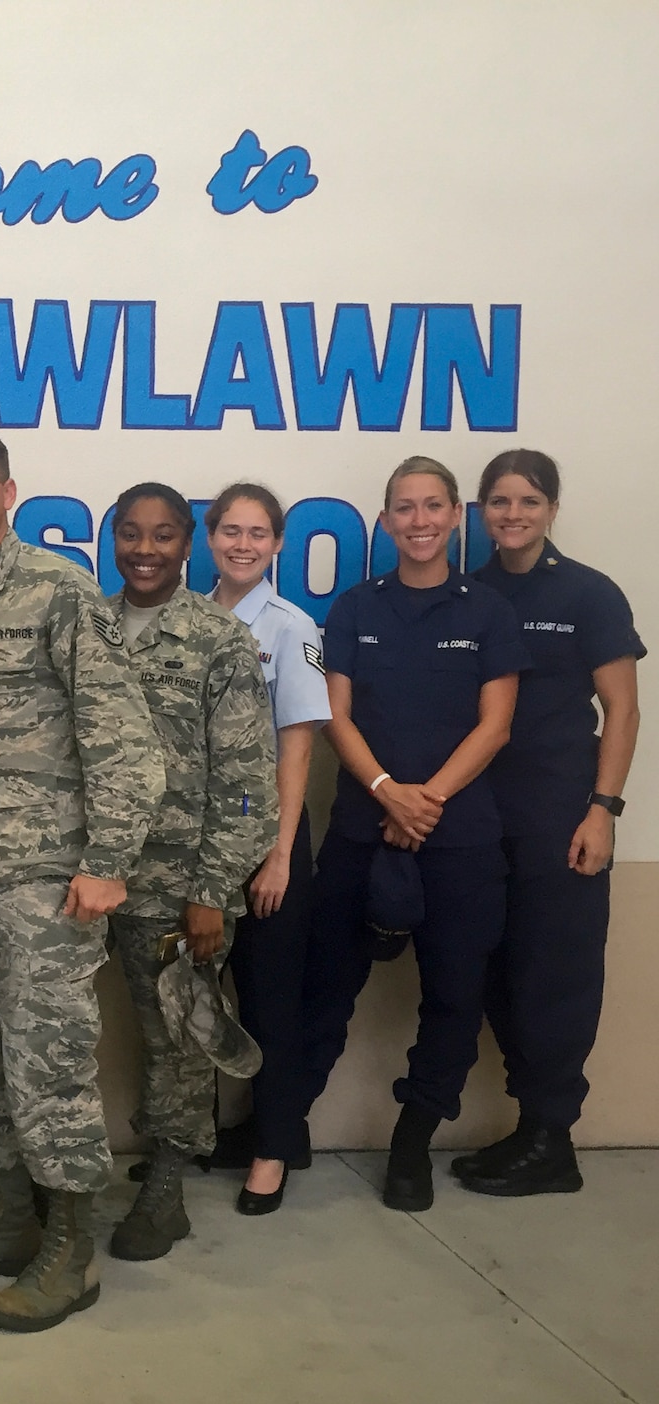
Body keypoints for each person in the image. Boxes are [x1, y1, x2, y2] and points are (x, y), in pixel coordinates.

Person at [0, 428, 162, 1332]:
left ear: (9, 491)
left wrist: (108, 862)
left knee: (49, 1067)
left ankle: (70, 1251)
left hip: (43, 881)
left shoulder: (58, 587)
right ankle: (8, 1217)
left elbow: (121, 734)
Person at [284, 456, 527, 1212]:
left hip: (461, 842)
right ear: (386, 521)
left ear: (456, 515)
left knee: (454, 1000)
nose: (419, 521)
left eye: (432, 506)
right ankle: (279, 1128)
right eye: (404, 508)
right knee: (323, 989)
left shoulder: (488, 611)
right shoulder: (356, 607)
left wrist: (429, 801)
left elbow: (496, 725)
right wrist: (390, 793)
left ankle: (412, 1144)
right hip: (362, 832)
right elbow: (336, 717)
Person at [102, 483, 277, 1258]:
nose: (145, 549)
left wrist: (211, 891)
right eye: (131, 533)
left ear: (186, 544)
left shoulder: (218, 639)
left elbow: (247, 785)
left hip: (174, 887)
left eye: (163, 534)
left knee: (174, 1036)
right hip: (87, 874)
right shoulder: (89, 624)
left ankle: (167, 1188)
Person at [460, 450, 642, 1195]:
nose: (514, 515)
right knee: (497, 974)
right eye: (500, 501)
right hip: (482, 817)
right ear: (481, 511)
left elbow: (623, 709)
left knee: (554, 977)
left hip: (560, 817)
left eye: (529, 501)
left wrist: (603, 811)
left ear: (552, 510)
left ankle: (551, 1140)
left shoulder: (587, 593)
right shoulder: (469, 591)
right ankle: (531, 1129)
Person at [203, 484, 331, 1214]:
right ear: (210, 537)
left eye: (258, 533)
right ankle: (208, 1132)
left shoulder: (290, 627)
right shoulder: (189, 618)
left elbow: (298, 745)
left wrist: (279, 855)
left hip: (264, 839)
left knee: (270, 1001)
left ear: (278, 543)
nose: (243, 544)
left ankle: (275, 1148)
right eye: (231, 530)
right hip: (199, 840)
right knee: (197, 999)